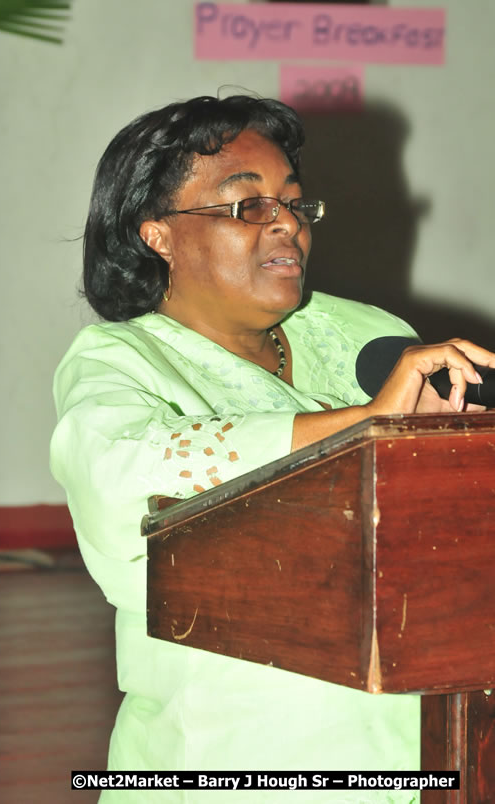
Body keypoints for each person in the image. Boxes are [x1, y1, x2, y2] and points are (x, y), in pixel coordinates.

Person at [50, 94, 495, 803]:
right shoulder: (119, 360)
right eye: (246, 204)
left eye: (293, 201)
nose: (286, 220)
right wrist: (367, 424)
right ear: (158, 235)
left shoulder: (362, 334)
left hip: (412, 759)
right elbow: (117, 484)